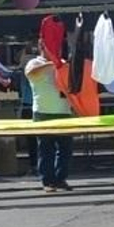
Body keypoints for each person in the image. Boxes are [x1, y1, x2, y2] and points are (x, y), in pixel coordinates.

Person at [24, 38, 73, 193]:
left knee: (65, 149)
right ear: (41, 47)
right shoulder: (34, 63)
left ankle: (60, 179)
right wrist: (53, 63)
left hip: (64, 111)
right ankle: (47, 181)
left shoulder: (63, 63)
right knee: (46, 150)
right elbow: (30, 74)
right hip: (42, 112)